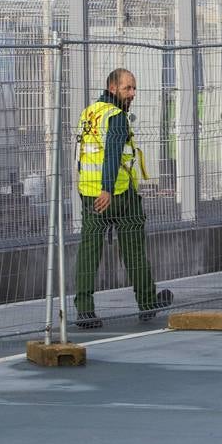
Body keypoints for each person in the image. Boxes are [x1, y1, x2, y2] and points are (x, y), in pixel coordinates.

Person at [74, 68, 172, 328]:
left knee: (88, 252)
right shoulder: (116, 116)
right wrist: (107, 188)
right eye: (128, 88)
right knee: (134, 250)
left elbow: (83, 153)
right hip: (117, 194)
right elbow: (113, 153)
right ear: (113, 88)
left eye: (134, 88)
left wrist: (91, 189)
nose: (133, 94)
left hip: (88, 194)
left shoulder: (89, 113)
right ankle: (147, 302)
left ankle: (84, 310)